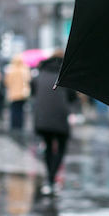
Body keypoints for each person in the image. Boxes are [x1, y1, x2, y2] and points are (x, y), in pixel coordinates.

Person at [32, 50, 76, 196]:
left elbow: (33, 91)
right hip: (60, 117)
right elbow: (72, 97)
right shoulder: (65, 74)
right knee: (61, 148)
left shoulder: (40, 73)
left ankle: (49, 180)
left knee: (49, 147)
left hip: (43, 117)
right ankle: (52, 179)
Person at [4, 54, 31, 132]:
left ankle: (14, 126)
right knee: (21, 110)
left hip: (13, 94)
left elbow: (7, 82)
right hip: (22, 94)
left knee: (14, 110)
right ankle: (20, 126)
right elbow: (28, 80)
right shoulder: (25, 69)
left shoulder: (11, 70)